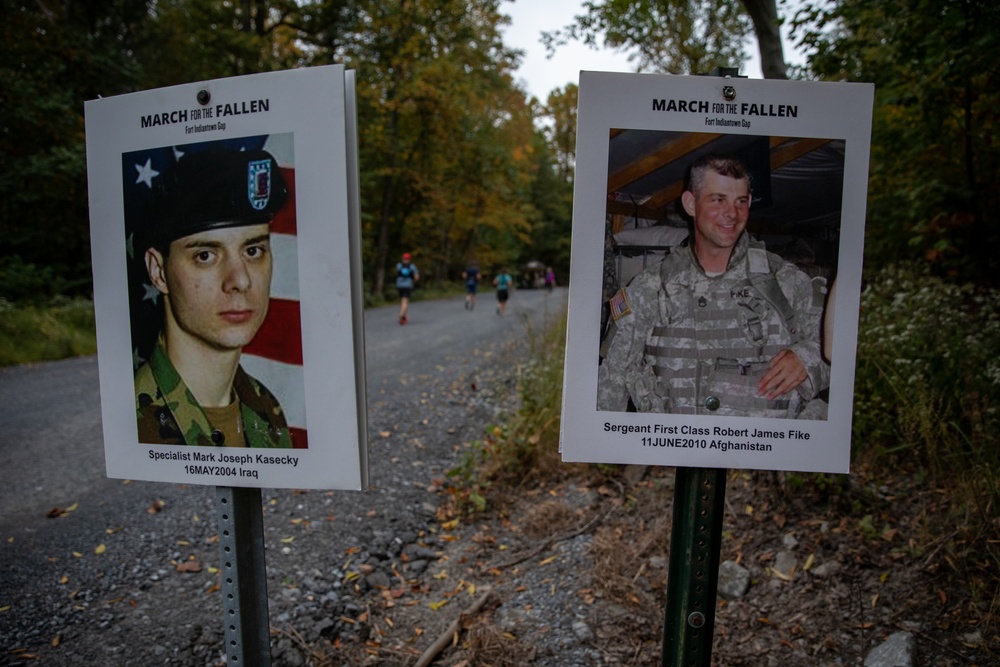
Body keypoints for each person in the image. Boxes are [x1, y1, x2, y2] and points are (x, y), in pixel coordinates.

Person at [597, 153, 829, 419]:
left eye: (740, 201)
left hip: (764, 453)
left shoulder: (784, 282)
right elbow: (611, 382)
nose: (732, 213)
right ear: (691, 203)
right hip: (674, 450)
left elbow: (843, 352)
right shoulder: (649, 289)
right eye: (718, 200)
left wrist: (808, 358)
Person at [134, 149, 293, 447]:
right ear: (159, 272)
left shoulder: (264, 407)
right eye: (205, 255)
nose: (241, 281)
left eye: (253, 251)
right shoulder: (136, 422)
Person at [395, 252, 420, 324]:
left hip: (399, 285)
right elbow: (416, 277)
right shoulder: (412, 266)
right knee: (405, 301)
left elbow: (397, 273)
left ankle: (404, 315)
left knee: (402, 300)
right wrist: (413, 281)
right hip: (408, 285)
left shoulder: (398, 265)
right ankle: (401, 315)